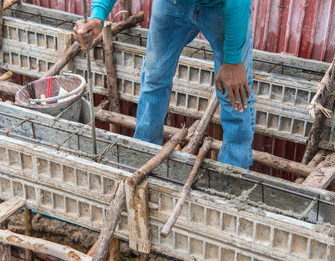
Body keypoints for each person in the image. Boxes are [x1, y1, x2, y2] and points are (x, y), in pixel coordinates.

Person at [74, 0, 254, 169]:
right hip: (173, 4)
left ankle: (233, 175)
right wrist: (97, 16)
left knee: (235, 94)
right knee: (154, 77)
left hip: (220, 7)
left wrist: (232, 60)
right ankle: (143, 157)